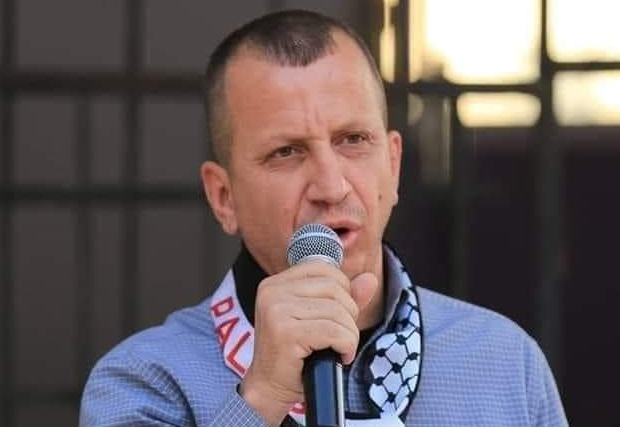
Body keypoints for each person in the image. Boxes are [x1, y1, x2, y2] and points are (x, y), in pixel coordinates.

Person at [80, 9, 568, 427]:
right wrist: (262, 396)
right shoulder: (145, 382)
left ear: (393, 165)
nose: (331, 187)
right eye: (286, 152)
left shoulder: (503, 363)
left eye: (353, 140)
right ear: (224, 197)